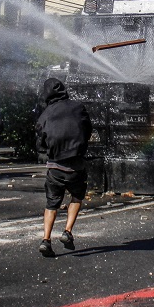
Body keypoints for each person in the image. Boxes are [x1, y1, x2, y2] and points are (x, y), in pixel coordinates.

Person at [35, 78, 93, 258]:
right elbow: (88, 129)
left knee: (51, 203)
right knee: (76, 196)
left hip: (55, 167)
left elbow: (39, 140)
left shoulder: (46, 114)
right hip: (76, 165)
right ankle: (67, 231)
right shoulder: (78, 107)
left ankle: (46, 240)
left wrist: (47, 149)